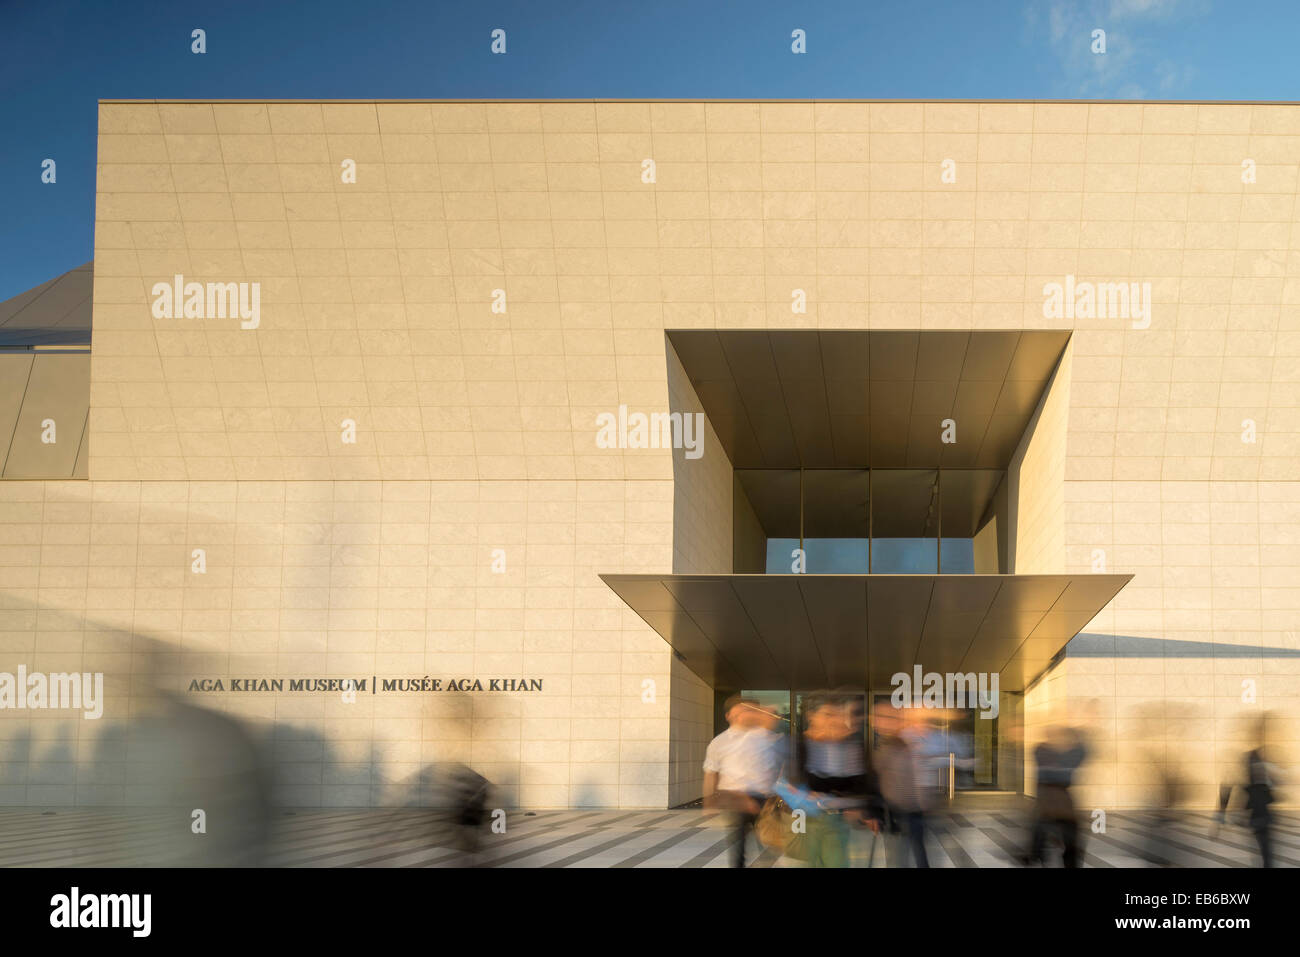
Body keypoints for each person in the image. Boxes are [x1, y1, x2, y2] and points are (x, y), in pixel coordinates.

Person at [779, 693, 881, 867]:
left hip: (836, 818)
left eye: (838, 714)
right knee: (803, 863)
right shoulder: (798, 744)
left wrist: (865, 811)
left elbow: (861, 782)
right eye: (828, 714)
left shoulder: (850, 745)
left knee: (837, 863)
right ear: (812, 716)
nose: (834, 720)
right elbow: (790, 780)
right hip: (802, 818)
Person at [703, 694, 786, 867]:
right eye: (743, 710)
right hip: (735, 800)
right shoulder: (719, 742)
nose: (748, 714)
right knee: (738, 847)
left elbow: (782, 764)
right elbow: (711, 773)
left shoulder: (766, 736)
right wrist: (708, 801)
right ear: (729, 715)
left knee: (771, 845)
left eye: (752, 710)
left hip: (766, 800)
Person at [874, 703, 939, 867]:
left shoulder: (903, 743)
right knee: (900, 856)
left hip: (910, 809)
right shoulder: (889, 745)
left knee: (914, 853)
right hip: (897, 810)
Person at [1021, 724, 1087, 867]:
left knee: (1065, 835)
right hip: (1050, 801)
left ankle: (1036, 855)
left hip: (1060, 802)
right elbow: (1060, 775)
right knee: (1044, 831)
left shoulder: (1067, 754)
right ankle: (1036, 855)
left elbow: (1080, 754)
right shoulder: (1042, 750)